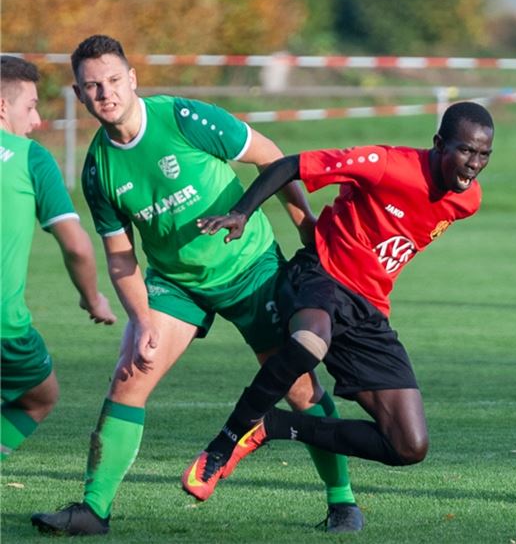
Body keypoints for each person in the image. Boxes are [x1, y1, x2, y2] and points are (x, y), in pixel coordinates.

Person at [30, 35, 360, 536]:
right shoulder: (98, 169)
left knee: (297, 385)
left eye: (114, 80)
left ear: (132, 79)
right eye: (92, 86)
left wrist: (304, 224)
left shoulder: (184, 118)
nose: (105, 93)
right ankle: (94, 510)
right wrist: (142, 319)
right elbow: (121, 256)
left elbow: (271, 157)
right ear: (78, 95)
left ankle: (343, 502)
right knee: (129, 374)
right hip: (177, 284)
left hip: (252, 270)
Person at [177, 102, 493, 510]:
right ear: (438, 143)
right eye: (465, 150)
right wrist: (241, 212)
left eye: (483, 154)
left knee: (409, 445)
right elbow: (289, 166)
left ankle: (272, 426)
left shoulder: (468, 201)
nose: (474, 164)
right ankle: (224, 442)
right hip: (321, 274)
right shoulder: (385, 164)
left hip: (368, 308)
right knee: (309, 342)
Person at [1, 55, 117, 461]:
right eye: (31, 106)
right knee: (39, 397)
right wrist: (93, 298)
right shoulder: (30, 157)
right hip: (4, 330)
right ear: (3, 107)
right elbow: (77, 246)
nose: (35, 121)